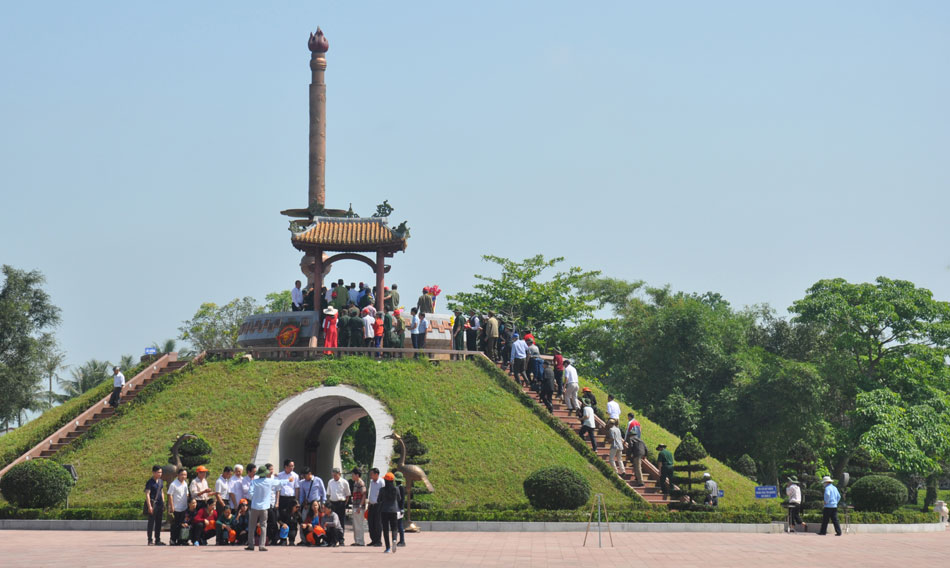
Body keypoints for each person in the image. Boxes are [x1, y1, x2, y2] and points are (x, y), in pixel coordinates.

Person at [246, 464, 294, 551]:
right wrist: (288, 480)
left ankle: (251, 545)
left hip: (254, 507)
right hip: (264, 507)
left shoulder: (254, 482)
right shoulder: (269, 481)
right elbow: (280, 482)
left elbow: (250, 494)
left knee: (252, 526)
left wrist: (255, 498)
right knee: (263, 525)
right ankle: (262, 545)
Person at [326, 467, 351, 544]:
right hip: (333, 503)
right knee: (332, 521)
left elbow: (347, 495)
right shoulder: (330, 482)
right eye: (333, 475)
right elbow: (328, 494)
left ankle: (341, 539)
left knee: (341, 522)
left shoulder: (344, 482)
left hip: (341, 503)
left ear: (339, 474)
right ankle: (333, 539)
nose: (334, 476)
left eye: (336, 475)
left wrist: (344, 504)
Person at [378, 472, 401, 553]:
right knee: (394, 528)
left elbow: (379, 500)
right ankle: (394, 539)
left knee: (385, 529)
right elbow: (399, 499)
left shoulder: (382, 490)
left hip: (384, 510)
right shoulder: (396, 489)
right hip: (393, 510)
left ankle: (387, 548)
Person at [167, 468, 190, 545]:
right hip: (176, 508)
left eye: (185, 475)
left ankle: (181, 540)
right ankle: (173, 540)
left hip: (184, 507)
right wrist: (171, 506)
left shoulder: (185, 484)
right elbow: (170, 495)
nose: (184, 476)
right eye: (182, 474)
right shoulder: (174, 484)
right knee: (175, 525)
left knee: (182, 524)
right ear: (178, 475)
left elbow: (187, 494)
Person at [144, 465, 165, 545]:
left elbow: (162, 492)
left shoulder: (160, 481)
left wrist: (163, 502)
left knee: (159, 522)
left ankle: (158, 539)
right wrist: (149, 506)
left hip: (160, 504)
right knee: (151, 522)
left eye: (161, 472)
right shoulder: (150, 482)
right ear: (153, 472)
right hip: (153, 504)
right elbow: (147, 494)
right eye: (158, 472)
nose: (160, 474)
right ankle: (150, 540)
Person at [624, 413, 645, 486]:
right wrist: (645, 455)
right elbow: (645, 447)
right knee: (637, 465)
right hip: (642, 452)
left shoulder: (631, 439)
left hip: (637, 453)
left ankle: (641, 481)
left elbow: (630, 447)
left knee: (638, 466)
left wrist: (628, 455)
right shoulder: (638, 423)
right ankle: (637, 477)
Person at [366, 467, 385, 546]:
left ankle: (378, 541)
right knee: (371, 523)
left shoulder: (382, 482)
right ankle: (373, 540)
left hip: (379, 505)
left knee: (378, 523)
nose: (371, 475)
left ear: (376, 474)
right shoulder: (371, 482)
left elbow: (384, 494)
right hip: (371, 505)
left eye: (372, 474)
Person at [350, 467, 367, 546]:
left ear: (357, 475)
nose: (352, 476)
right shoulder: (356, 483)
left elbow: (364, 495)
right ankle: (357, 541)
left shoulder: (361, 483)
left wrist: (360, 506)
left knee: (359, 524)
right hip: (356, 506)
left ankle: (360, 541)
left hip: (359, 507)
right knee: (355, 524)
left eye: (353, 474)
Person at [393, 472, 407, 547]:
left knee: (400, 525)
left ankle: (402, 540)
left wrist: (401, 508)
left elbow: (402, 499)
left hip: (399, 508)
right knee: (398, 525)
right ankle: (400, 540)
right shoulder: (398, 487)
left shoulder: (401, 487)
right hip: (397, 507)